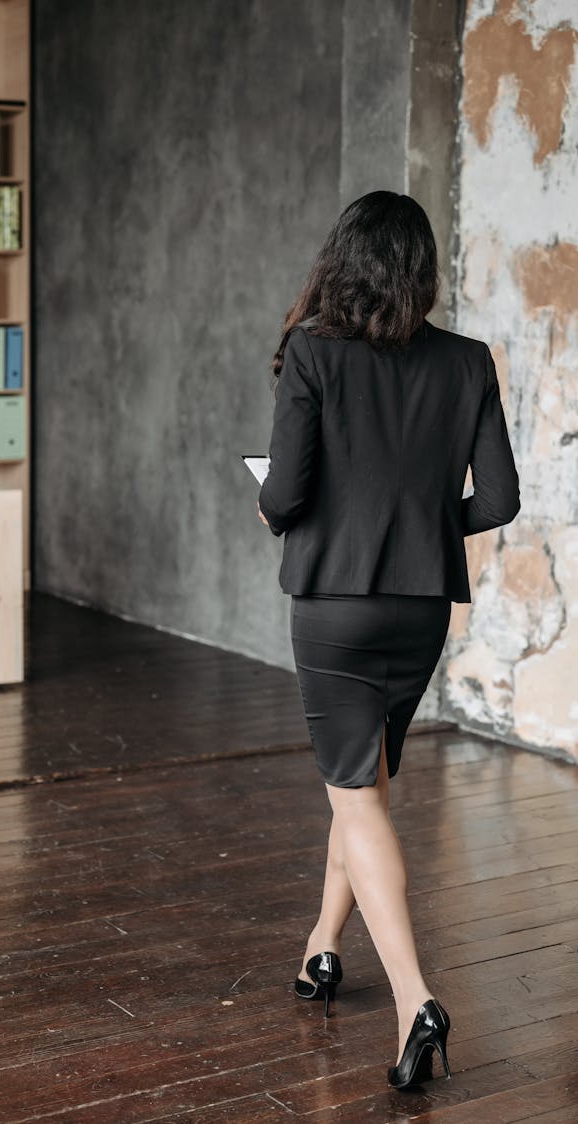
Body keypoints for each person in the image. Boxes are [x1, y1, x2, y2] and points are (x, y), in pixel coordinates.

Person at [257, 190, 520, 1089]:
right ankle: (323, 948)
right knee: (361, 781)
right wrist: (419, 523)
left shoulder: (312, 352)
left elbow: (286, 497)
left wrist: (268, 501)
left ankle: (416, 1000)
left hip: (333, 602)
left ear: (344, 260)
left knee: (355, 794)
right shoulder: (467, 360)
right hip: (419, 609)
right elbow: (498, 501)